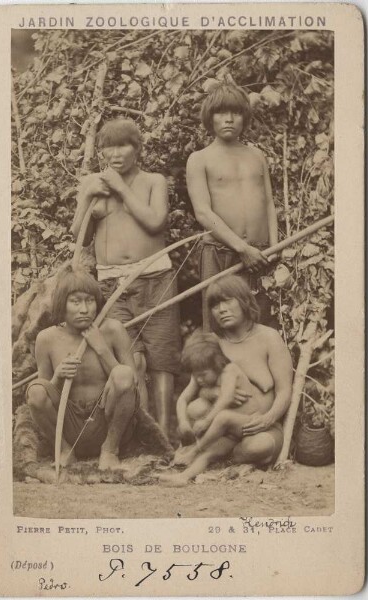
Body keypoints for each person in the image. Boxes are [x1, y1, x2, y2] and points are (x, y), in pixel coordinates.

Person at [71, 119, 180, 437]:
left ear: (138, 148)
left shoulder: (152, 181)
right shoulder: (94, 184)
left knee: (161, 359)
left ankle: (164, 433)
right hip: (111, 284)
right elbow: (80, 237)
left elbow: (156, 222)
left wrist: (119, 187)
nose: (115, 153)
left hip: (156, 277)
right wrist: (85, 198)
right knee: (131, 359)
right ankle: (140, 431)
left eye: (123, 145)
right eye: (108, 146)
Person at [161, 275, 292, 486]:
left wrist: (267, 419)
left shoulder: (269, 338)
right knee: (195, 408)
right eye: (215, 305)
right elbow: (193, 388)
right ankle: (213, 456)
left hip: (260, 426)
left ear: (245, 301)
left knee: (257, 446)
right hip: (224, 427)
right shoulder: (214, 343)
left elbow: (285, 391)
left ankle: (220, 455)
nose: (221, 309)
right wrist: (212, 393)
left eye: (227, 301)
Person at [26, 266, 139, 471]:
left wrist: (102, 348)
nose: (84, 309)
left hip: (108, 424)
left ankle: (110, 451)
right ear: (62, 304)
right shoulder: (46, 338)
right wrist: (59, 376)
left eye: (90, 301)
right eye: (75, 302)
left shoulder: (113, 329)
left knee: (122, 373)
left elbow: (132, 381)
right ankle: (64, 451)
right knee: (35, 389)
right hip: (69, 427)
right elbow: (44, 395)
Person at [186, 83, 278, 330]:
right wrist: (241, 247)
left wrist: (275, 246)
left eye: (236, 113)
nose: (228, 119)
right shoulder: (199, 159)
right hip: (222, 253)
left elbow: (269, 202)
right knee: (221, 327)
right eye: (221, 112)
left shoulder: (257, 155)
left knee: (260, 324)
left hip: (261, 255)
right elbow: (203, 212)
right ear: (210, 117)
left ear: (245, 117)